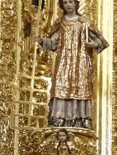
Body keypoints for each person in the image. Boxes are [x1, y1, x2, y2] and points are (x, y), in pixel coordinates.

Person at [38, 0, 108, 128]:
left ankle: (81, 118)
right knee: (61, 86)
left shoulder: (84, 22)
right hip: (64, 62)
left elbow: (100, 40)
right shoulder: (60, 22)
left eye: (70, 2)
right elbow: (53, 43)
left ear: (76, 4)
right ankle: (59, 117)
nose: (68, 5)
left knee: (81, 86)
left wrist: (93, 44)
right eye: (65, 3)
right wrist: (43, 41)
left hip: (80, 60)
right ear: (62, 5)